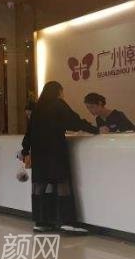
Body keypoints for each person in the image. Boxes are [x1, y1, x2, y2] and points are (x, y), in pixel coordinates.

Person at [21, 81, 98, 234]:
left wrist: (25, 150)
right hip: (55, 152)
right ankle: (67, 222)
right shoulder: (58, 104)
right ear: (58, 92)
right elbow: (74, 122)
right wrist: (95, 130)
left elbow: (29, 132)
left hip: (39, 154)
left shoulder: (37, 108)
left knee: (42, 187)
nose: (63, 95)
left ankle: (42, 222)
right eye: (62, 92)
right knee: (62, 184)